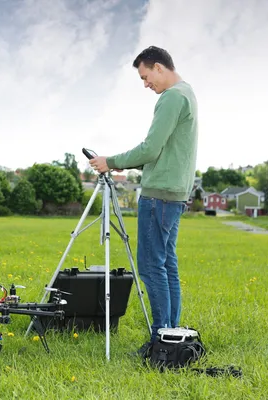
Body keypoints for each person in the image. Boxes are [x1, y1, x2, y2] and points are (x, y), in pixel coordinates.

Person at [89, 46, 198, 352]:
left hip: (159, 195)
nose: (146, 84)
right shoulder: (187, 94)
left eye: (146, 76)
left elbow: (150, 149)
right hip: (174, 194)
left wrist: (110, 161)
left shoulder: (172, 97)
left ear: (159, 68)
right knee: (167, 266)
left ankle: (161, 339)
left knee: (152, 267)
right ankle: (171, 335)